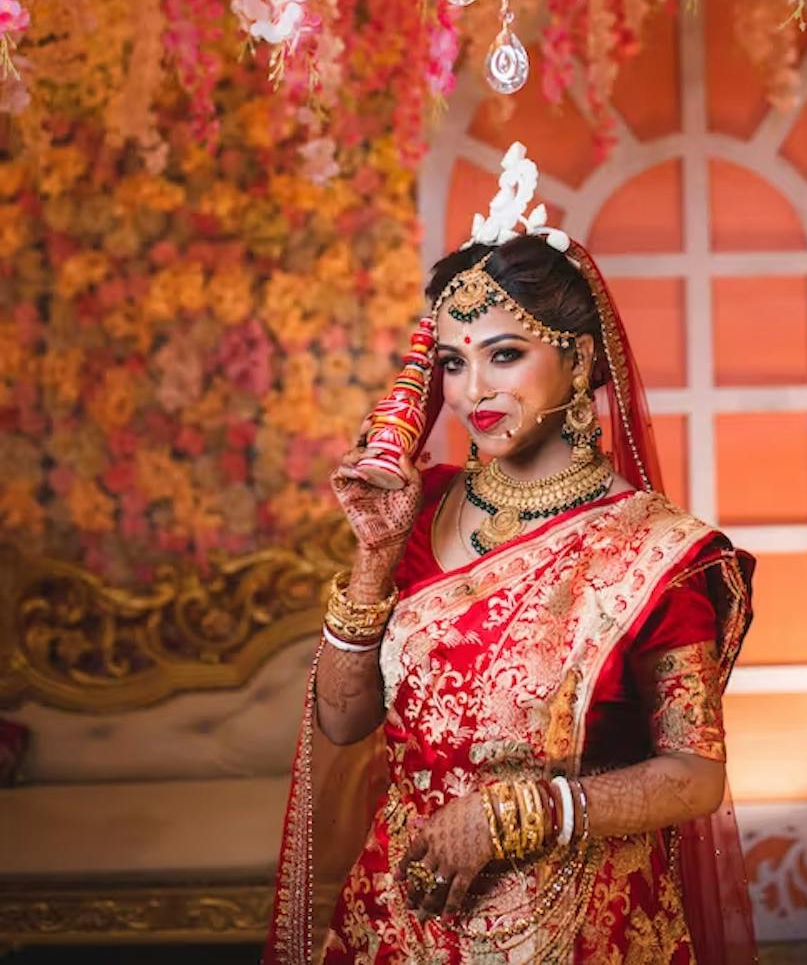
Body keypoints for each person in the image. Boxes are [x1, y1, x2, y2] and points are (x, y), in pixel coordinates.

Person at [264, 145, 757, 965]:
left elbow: (694, 775)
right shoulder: (420, 508)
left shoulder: (653, 549)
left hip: (577, 924)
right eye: (453, 364)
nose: (472, 392)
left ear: (579, 362)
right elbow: (345, 721)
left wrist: (523, 815)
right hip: (398, 914)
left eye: (504, 354)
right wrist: (373, 557)